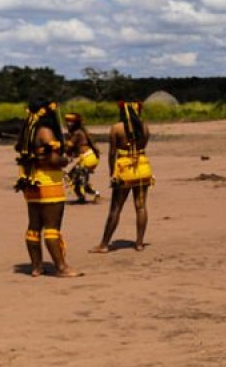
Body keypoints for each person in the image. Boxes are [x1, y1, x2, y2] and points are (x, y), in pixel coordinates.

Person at [15, 99, 83, 277]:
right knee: (52, 227)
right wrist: (65, 160)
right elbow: (52, 160)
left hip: (31, 182)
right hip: (48, 183)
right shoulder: (45, 131)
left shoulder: (28, 132)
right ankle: (61, 267)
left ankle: (36, 267)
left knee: (34, 226)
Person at [90, 101, 153, 252]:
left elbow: (112, 153)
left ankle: (104, 244)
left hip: (124, 169)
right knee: (141, 206)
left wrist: (112, 173)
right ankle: (139, 243)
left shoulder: (116, 128)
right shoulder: (145, 127)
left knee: (116, 208)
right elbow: (143, 146)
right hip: (142, 167)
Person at [64, 112, 101, 203]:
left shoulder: (77, 133)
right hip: (87, 158)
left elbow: (69, 147)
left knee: (79, 179)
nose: (68, 123)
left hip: (87, 158)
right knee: (73, 177)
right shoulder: (76, 133)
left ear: (75, 123)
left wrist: (62, 142)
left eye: (71, 122)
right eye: (67, 121)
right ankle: (82, 197)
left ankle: (94, 193)